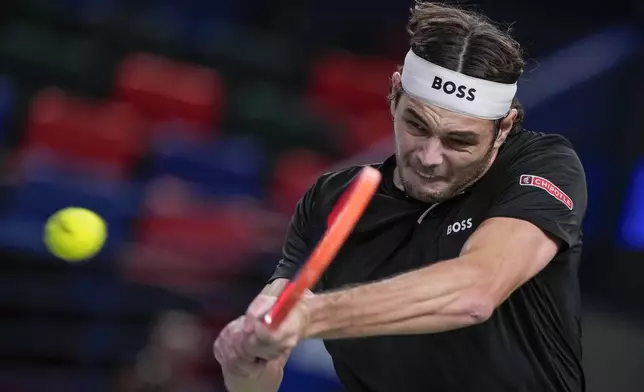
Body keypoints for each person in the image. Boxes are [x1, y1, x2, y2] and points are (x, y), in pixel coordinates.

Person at [214, 2, 588, 391]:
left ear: (505, 127)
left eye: (459, 141)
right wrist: (245, 362)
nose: (429, 157)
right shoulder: (330, 199)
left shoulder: (541, 164)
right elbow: (264, 366)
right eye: (416, 124)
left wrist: (309, 316)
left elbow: (476, 290)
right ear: (394, 93)